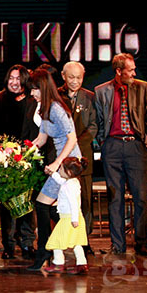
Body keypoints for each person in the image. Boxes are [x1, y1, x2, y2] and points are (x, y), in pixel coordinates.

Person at [94, 53, 147, 256]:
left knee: (141, 197)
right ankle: (118, 245)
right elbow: (99, 120)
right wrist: (103, 142)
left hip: (135, 146)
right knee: (115, 198)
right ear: (119, 71)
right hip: (112, 147)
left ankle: (141, 242)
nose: (134, 73)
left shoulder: (143, 87)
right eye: (130, 70)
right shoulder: (101, 91)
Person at [26, 68, 82, 270]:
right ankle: (70, 245)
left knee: (43, 204)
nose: (32, 93)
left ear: (42, 88)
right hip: (61, 162)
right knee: (53, 207)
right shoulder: (44, 108)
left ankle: (46, 251)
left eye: (34, 89)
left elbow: (72, 138)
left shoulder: (57, 108)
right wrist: (20, 153)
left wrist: (57, 164)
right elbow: (41, 139)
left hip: (68, 164)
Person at [0, 64, 37, 260]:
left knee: (27, 203)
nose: (14, 82)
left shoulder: (33, 101)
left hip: (28, 156)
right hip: (3, 157)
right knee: (7, 204)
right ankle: (8, 245)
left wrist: (27, 150)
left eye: (18, 79)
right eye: (11, 78)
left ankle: (27, 243)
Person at [58, 61, 98, 254]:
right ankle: (60, 240)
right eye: (71, 77)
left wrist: (76, 145)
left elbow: (93, 126)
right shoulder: (56, 96)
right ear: (63, 76)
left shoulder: (90, 97)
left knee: (85, 200)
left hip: (82, 157)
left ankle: (84, 241)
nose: (75, 81)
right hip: (61, 157)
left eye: (79, 78)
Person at [44, 157, 90, 275]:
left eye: (61, 169)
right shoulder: (72, 182)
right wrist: (52, 174)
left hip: (69, 218)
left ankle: (58, 263)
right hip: (73, 217)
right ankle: (82, 263)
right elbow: (61, 181)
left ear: (68, 172)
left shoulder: (70, 186)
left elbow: (74, 203)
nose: (59, 170)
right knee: (76, 242)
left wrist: (74, 219)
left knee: (57, 240)